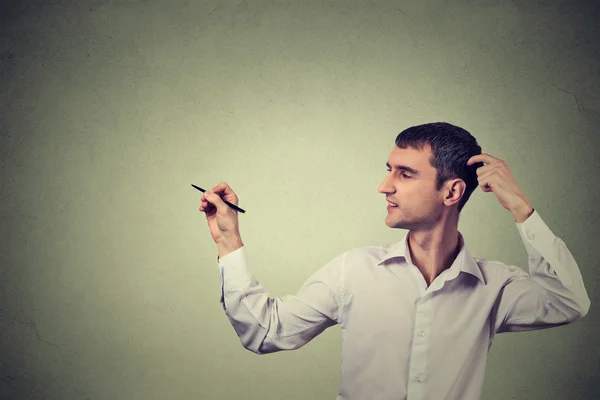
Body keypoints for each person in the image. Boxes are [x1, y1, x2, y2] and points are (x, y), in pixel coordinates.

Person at [198, 122, 590, 400]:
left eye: (404, 174)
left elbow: (569, 303)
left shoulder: (495, 287)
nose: (384, 186)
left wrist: (521, 207)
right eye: (389, 171)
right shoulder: (353, 270)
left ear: (451, 191)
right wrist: (228, 238)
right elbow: (266, 332)